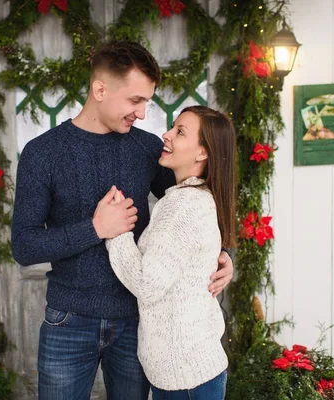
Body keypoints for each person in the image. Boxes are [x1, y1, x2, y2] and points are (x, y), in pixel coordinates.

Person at [10, 40, 234, 400]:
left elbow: (196, 203)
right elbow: (24, 246)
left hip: (137, 324)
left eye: (146, 101)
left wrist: (222, 255)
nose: (143, 113)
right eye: (136, 101)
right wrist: (95, 229)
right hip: (68, 320)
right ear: (100, 89)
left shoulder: (146, 149)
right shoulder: (42, 153)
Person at [106, 106, 236, 399]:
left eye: (180, 132)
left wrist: (116, 231)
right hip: (188, 372)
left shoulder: (183, 205)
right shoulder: (193, 198)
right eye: (172, 127)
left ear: (202, 152)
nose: (166, 134)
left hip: (186, 377)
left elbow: (147, 284)